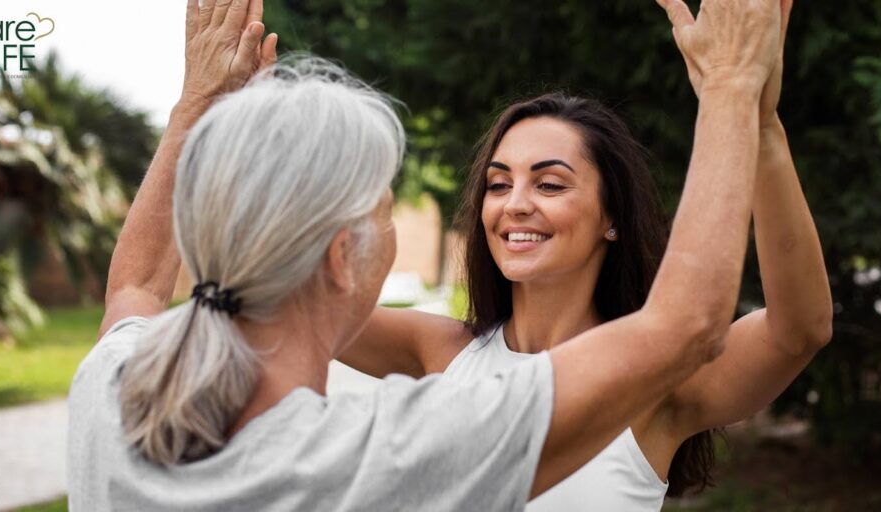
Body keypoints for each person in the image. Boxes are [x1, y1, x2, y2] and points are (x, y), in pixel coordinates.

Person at [67, 0, 784, 509]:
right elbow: (686, 325)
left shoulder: (114, 383)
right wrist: (731, 87)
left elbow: (134, 284)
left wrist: (200, 99)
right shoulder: (374, 462)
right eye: (385, 205)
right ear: (344, 257)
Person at [338, 0, 832, 509]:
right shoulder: (441, 352)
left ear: (611, 218)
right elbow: (280, 304)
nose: (516, 205)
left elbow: (799, 330)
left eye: (550, 184)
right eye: (499, 183)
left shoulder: (653, 380)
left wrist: (762, 124)